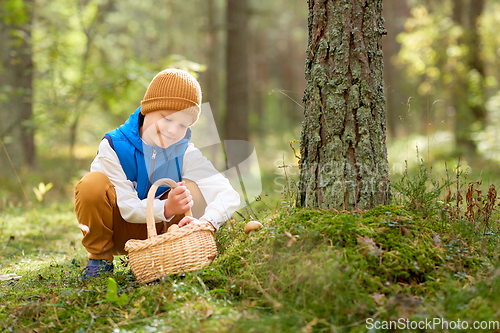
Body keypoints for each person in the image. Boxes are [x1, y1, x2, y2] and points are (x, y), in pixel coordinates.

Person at [75, 68, 240, 279]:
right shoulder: (114, 146)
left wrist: (207, 222)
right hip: (119, 232)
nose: (173, 130)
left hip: (165, 235)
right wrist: (167, 207)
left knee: (190, 188)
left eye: (183, 124)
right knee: (92, 184)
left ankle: (176, 254)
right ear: (147, 109)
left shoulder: (185, 152)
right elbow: (127, 207)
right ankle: (100, 258)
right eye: (167, 118)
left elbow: (228, 194)